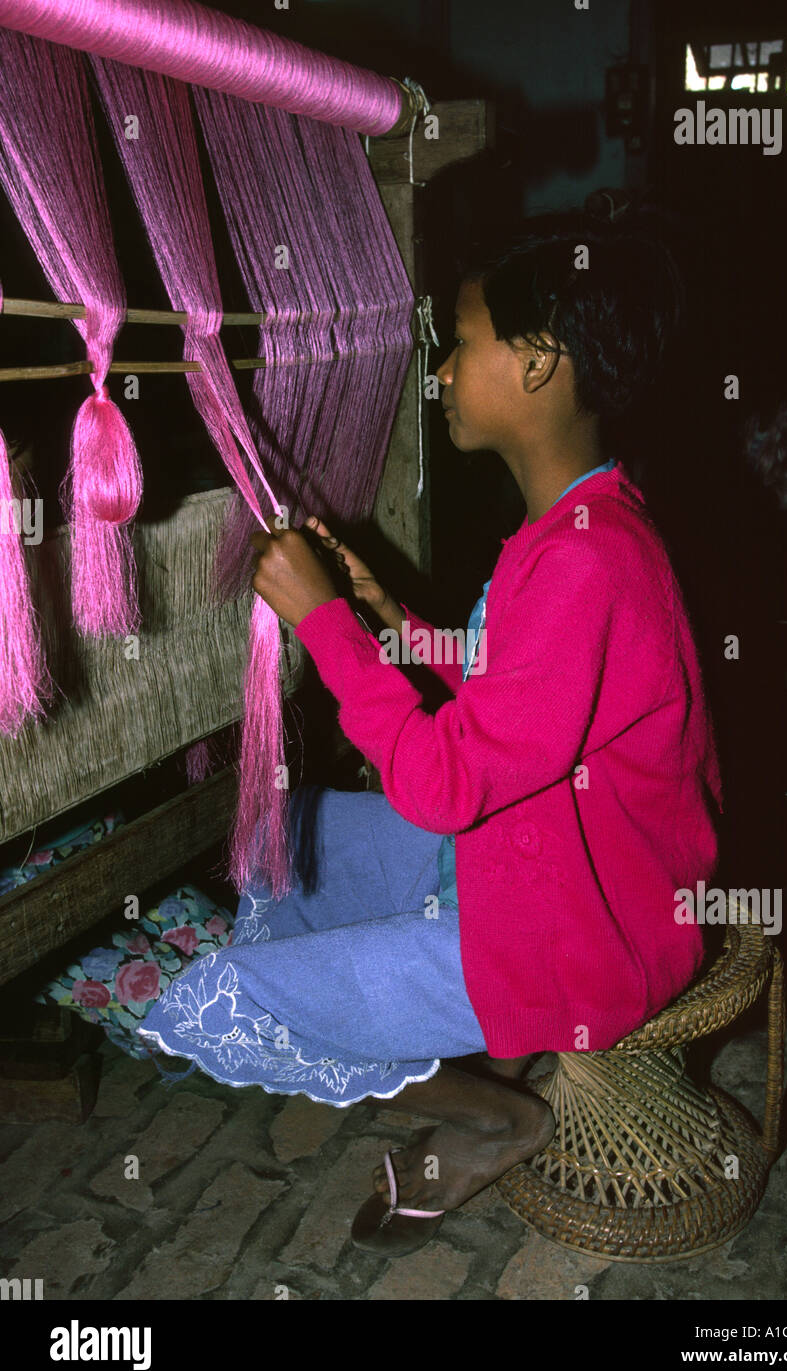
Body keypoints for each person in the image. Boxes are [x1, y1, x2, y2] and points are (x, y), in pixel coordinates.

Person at [140, 213, 723, 1257]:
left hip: (595, 930)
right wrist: (396, 627)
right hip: (568, 864)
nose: (442, 370)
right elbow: (525, 683)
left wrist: (326, 627)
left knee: (243, 999)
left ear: (537, 365)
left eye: (459, 341)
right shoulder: (583, 524)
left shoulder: (586, 561)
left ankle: (494, 1111)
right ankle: (471, 1042)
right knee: (293, 837)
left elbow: (446, 786)